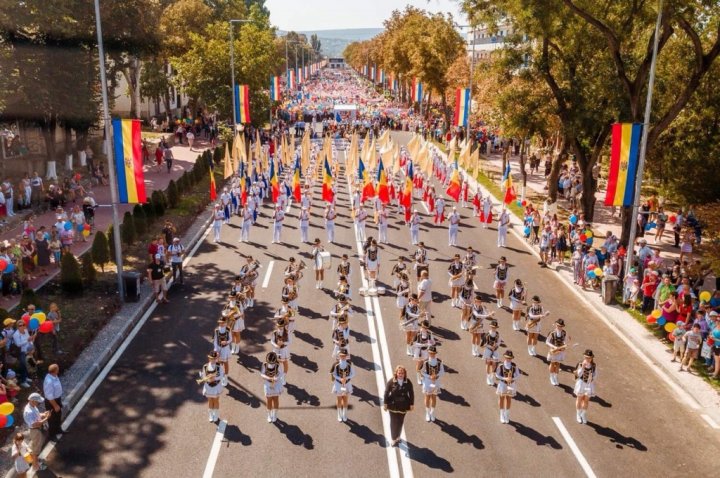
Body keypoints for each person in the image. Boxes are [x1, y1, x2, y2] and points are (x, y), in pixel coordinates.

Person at [383, 365, 414, 447]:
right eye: (399, 373)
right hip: (393, 404)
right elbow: (386, 393)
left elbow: (411, 393)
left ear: (404, 374)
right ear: (396, 373)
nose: (400, 374)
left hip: (404, 405)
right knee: (393, 422)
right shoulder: (391, 382)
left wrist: (411, 404)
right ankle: (393, 438)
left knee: (400, 421)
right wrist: (385, 403)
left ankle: (398, 436)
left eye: (402, 373)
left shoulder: (408, 382)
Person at [23, 392, 49, 471]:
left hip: (36, 430)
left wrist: (43, 414)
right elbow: (35, 424)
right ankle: (35, 466)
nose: (39, 403)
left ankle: (32, 460)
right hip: (35, 431)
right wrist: (46, 418)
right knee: (36, 450)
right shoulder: (29, 412)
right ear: (32, 400)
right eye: (38, 401)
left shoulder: (32, 406)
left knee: (34, 447)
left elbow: (36, 415)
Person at [421, 345, 444, 422]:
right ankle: (427, 413)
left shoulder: (439, 362)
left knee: (434, 397)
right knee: (427, 397)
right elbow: (421, 371)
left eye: (433, 353)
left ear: (435, 353)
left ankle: (432, 412)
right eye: (430, 353)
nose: (432, 354)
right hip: (427, 382)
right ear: (428, 353)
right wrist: (429, 376)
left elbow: (442, 371)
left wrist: (436, 376)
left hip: (436, 382)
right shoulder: (425, 362)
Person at [199, 351, 224, 422]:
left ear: (216, 358)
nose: (211, 360)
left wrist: (214, 378)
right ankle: (211, 414)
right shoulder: (205, 366)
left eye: (213, 358)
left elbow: (221, 375)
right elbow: (203, 375)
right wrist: (207, 379)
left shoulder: (219, 366)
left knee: (216, 401)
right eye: (210, 358)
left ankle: (216, 414)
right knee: (210, 401)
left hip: (216, 386)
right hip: (208, 386)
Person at [331, 348, 355, 422]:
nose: (343, 357)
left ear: (346, 356)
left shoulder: (350, 364)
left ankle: (344, 414)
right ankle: (339, 414)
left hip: (347, 384)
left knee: (345, 399)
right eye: (341, 355)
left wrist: (346, 377)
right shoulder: (335, 364)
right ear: (339, 355)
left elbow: (353, 374)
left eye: (344, 355)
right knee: (339, 400)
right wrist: (340, 378)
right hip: (338, 384)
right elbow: (333, 374)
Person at [573, 349, 597, 424]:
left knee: (586, 400)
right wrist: (583, 367)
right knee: (579, 399)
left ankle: (583, 414)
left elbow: (596, 374)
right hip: (581, 383)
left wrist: (592, 378)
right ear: (584, 357)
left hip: (589, 384)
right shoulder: (580, 363)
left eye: (589, 358)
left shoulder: (593, 365)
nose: (588, 359)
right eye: (586, 357)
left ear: (592, 358)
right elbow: (578, 374)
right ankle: (578, 414)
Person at [496, 350, 520, 423]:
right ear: (504, 357)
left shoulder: (514, 366)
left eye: (510, 358)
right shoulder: (501, 365)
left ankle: (506, 415)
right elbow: (497, 375)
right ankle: (501, 414)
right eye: (507, 357)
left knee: (509, 399)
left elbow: (518, 375)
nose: (508, 359)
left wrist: (511, 379)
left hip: (511, 384)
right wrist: (505, 378)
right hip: (503, 384)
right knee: (502, 398)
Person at [261, 351, 284, 423]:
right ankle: (269, 414)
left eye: (272, 363)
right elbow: (262, 374)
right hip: (268, 384)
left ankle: (275, 414)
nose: (271, 364)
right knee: (269, 400)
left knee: (276, 399)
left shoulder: (278, 365)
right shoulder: (264, 364)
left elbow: (281, 373)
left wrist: (276, 378)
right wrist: (269, 378)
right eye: (269, 363)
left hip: (276, 384)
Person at [43, 364, 63, 441]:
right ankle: (52, 435)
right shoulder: (49, 381)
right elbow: (49, 396)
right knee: (52, 418)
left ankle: (58, 429)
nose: (59, 369)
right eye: (57, 368)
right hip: (51, 402)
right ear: (55, 371)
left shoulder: (54, 376)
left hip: (57, 399)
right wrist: (55, 406)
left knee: (58, 415)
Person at [413, 320, 436, 384]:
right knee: (419, 364)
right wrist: (423, 344)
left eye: (426, 327)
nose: (424, 329)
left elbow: (433, 342)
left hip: (426, 351)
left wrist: (431, 343)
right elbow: (414, 343)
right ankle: (418, 377)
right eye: (423, 327)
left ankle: (422, 376)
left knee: (424, 365)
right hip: (419, 352)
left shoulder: (429, 334)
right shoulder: (418, 333)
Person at [546, 319, 568, 386]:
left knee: (558, 364)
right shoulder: (552, 333)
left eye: (561, 326)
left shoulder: (564, 333)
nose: (559, 327)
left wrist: (564, 345)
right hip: (553, 350)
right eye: (558, 326)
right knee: (553, 363)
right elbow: (547, 342)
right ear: (556, 325)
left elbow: (565, 340)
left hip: (560, 351)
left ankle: (555, 377)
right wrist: (554, 347)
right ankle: (551, 376)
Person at [482, 320, 502, 385]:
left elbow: (499, 341)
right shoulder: (487, 334)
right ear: (490, 327)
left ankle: (491, 377)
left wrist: (496, 345)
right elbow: (483, 345)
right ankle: (488, 377)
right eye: (492, 327)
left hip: (495, 351)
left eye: (495, 327)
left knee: (494, 364)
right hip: (488, 351)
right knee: (488, 364)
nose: (494, 328)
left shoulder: (497, 334)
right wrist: (490, 347)